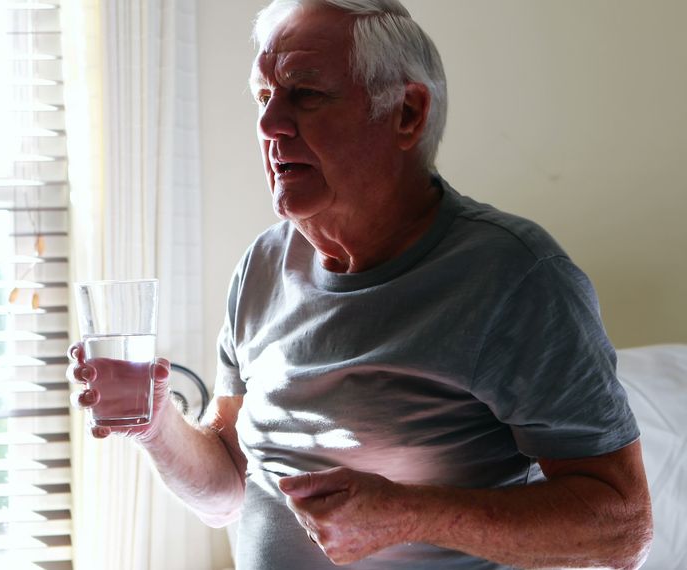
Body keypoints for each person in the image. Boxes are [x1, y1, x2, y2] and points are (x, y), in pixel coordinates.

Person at [68, 0, 654, 568]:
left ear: (406, 114)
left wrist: (413, 516)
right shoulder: (263, 265)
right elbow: (228, 488)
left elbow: (622, 527)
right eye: (264, 97)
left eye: (306, 95)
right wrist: (154, 422)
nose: (269, 124)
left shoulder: (515, 276)